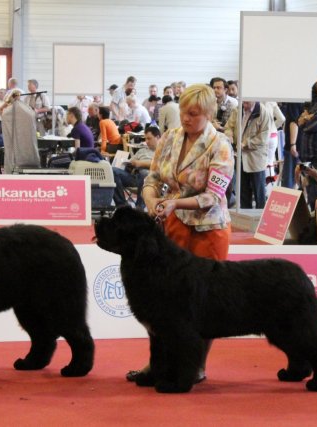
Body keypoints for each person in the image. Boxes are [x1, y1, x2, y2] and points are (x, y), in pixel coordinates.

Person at [132, 83, 234, 384]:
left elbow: (213, 196)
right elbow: (153, 177)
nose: (186, 119)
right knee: (163, 302)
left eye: (194, 114)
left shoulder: (221, 145)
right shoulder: (171, 137)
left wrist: (174, 201)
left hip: (209, 229)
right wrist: (151, 200)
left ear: (209, 113)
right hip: (173, 226)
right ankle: (159, 363)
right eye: (184, 112)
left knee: (203, 305)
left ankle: (196, 366)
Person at [224, 101, 274, 209]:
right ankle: (245, 216)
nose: (244, 104)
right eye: (243, 101)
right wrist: (229, 134)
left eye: (247, 101)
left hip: (255, 158)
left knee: (259, 191)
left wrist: (246, 143)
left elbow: (263, 138)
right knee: (243, 191)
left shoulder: (263, 112)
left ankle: (261, 218)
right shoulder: (237, 109)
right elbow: (228, 126)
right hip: (239, 156)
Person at [112, 126, 159, 209]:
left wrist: (140, 163)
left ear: (157, 137)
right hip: (135, 177)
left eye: (149, 139)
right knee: (112, 171)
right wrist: (127, 164)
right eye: (145, 139)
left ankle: (139, 207)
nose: (146, 142)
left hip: (151, 180)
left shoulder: (162, 152)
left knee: (145, 173)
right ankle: (123, 205)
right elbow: (130, 162)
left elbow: (159, 165)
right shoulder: (142, 151)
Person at [1, 89, 41, 173]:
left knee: (11, 153)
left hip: (11, 143)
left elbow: (0, 110)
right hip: (25, 141)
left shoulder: (7, 111)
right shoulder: (27, 111)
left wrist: (7, 102)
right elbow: (33, 115)